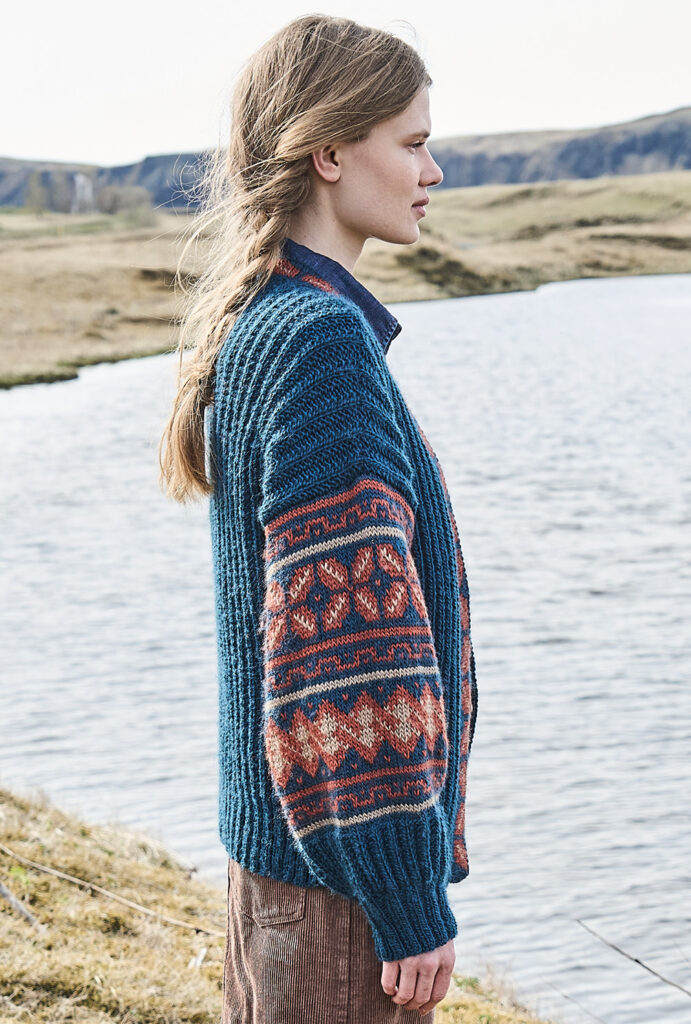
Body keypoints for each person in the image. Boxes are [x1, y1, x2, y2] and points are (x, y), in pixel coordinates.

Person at [159, 13, 477, 1023]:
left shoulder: (267, 320)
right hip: (341, 902)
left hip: (284, 873)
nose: (432, 171)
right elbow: (346, 656)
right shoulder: (319, 343)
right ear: (330, 151)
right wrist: (405, 895)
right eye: (413, 143)